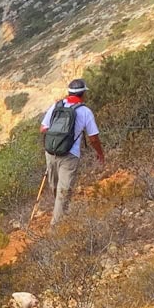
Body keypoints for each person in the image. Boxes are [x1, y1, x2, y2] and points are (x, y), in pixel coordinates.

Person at [40, 78, 106, 225]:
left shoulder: (56, 106)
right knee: (63, 192)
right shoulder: (85, 112)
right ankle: (56, 227)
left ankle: (61, 216)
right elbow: (93, 138)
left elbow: (43, 128)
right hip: (70, 155)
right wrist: (100, 154)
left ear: (69, 92)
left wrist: (57, 135)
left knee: (56, 188)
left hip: (51, 152)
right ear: (83, 94)